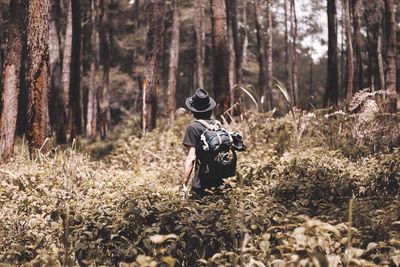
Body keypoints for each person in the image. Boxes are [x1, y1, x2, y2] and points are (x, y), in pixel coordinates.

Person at [181, 88, 223, 197]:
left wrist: (184, 185)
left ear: (193, 110)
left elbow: (191, 158)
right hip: (221, 182)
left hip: (201, 183)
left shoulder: (193, 128)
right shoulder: (217, 124)